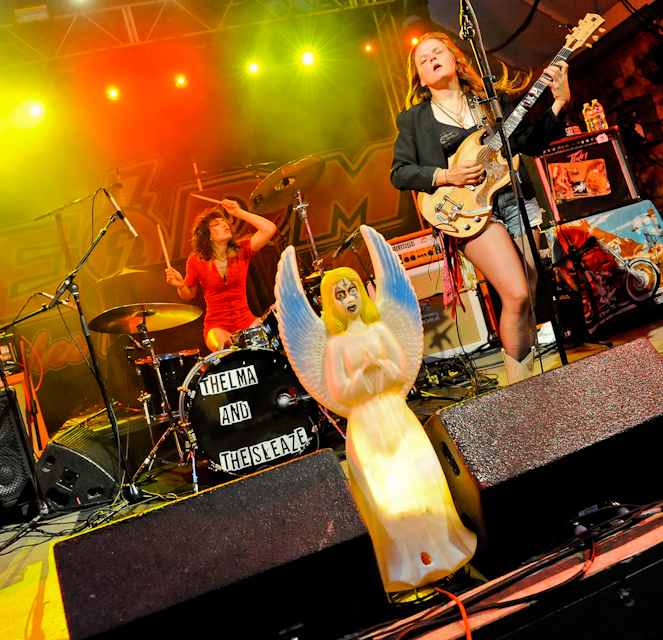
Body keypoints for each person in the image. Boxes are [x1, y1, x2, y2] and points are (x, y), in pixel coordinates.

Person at [274, 227, 476, 592]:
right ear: (329, 302)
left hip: (397, 417)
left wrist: (379, 368)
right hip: (367, 426)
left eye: (352, 290)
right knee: (388, 494)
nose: (349, 298)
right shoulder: (333, 347)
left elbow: (401, 371)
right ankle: (407, 564)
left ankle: (444, 547)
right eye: (340, 294)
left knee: (423, 478)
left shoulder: (380, 330)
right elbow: (340, 391)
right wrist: (363, 375)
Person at [390, 32, 571, 383]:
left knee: (530, 292)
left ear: (456, 58)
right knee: (516, 294)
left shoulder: (490, 102)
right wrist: (446, 174)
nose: (431, 59)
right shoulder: (414, 120)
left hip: (512, 199)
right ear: (420, 78)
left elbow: (528, 144)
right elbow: (400, 173)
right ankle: (519, 390)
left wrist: (559, 104)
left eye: (437, 51)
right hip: (466, 211)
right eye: (422, 59)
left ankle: (531, 380)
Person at [165, 199, 277, 351]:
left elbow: (269, 229)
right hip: (217, 325)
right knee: (224, 349)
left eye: (224, 222)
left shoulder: (241, 249)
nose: (224, 225)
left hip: (246, 320)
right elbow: (188, 294)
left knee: (269, 341)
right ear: (208, 236)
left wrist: (238, 212)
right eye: (216, 225)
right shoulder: (195, 260)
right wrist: (181, 286)